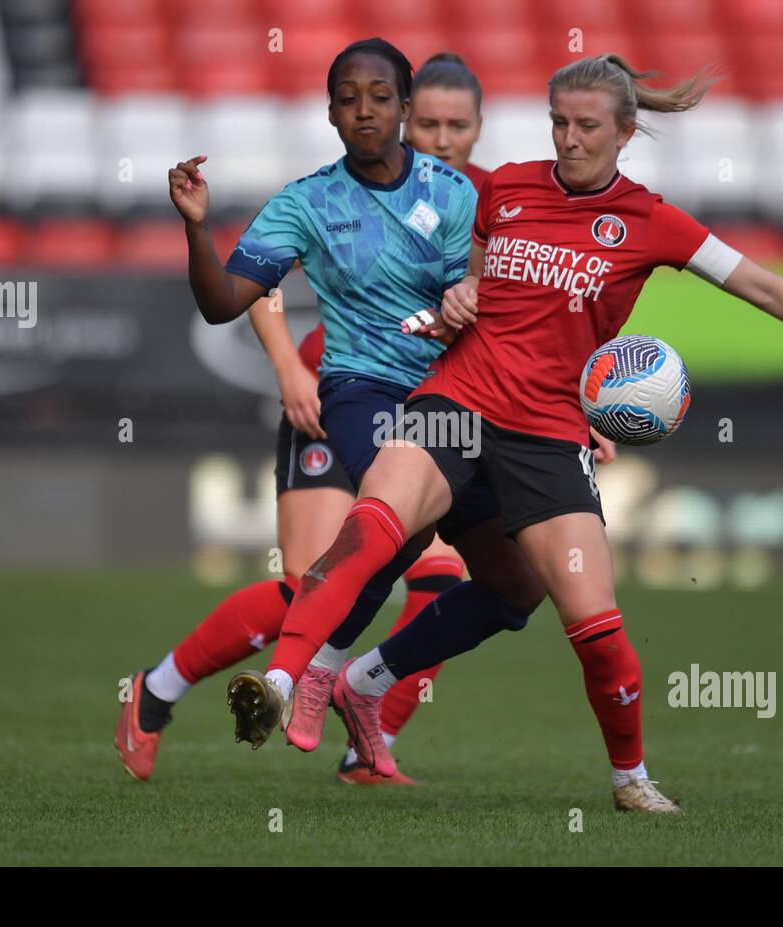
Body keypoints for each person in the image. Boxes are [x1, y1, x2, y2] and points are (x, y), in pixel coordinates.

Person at [228, 53, 783, 813]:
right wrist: (463, 296)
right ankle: (287, 679)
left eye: (586, 126)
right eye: (558, 123)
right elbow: (470, 285)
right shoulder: (504, 189)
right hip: (455, 404)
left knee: (591, 624)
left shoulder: (651, 220)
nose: (568, 139)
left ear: (626, 132)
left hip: (545, 434)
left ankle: (626, 775)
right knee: (373, 524)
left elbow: (760, 284)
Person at [116, 39, 553, 785]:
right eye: (349, 99)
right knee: (348, 560)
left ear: (434, 117)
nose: (367, 112)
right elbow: (227, 300)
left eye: (382, 98)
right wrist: (199, 229)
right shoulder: (308, 200)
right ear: (331, 113)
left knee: (511, 585)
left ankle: (357, 691)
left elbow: (501, 315)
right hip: (347, 393)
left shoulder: (463, 198)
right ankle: (207, 686)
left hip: (452, 402)